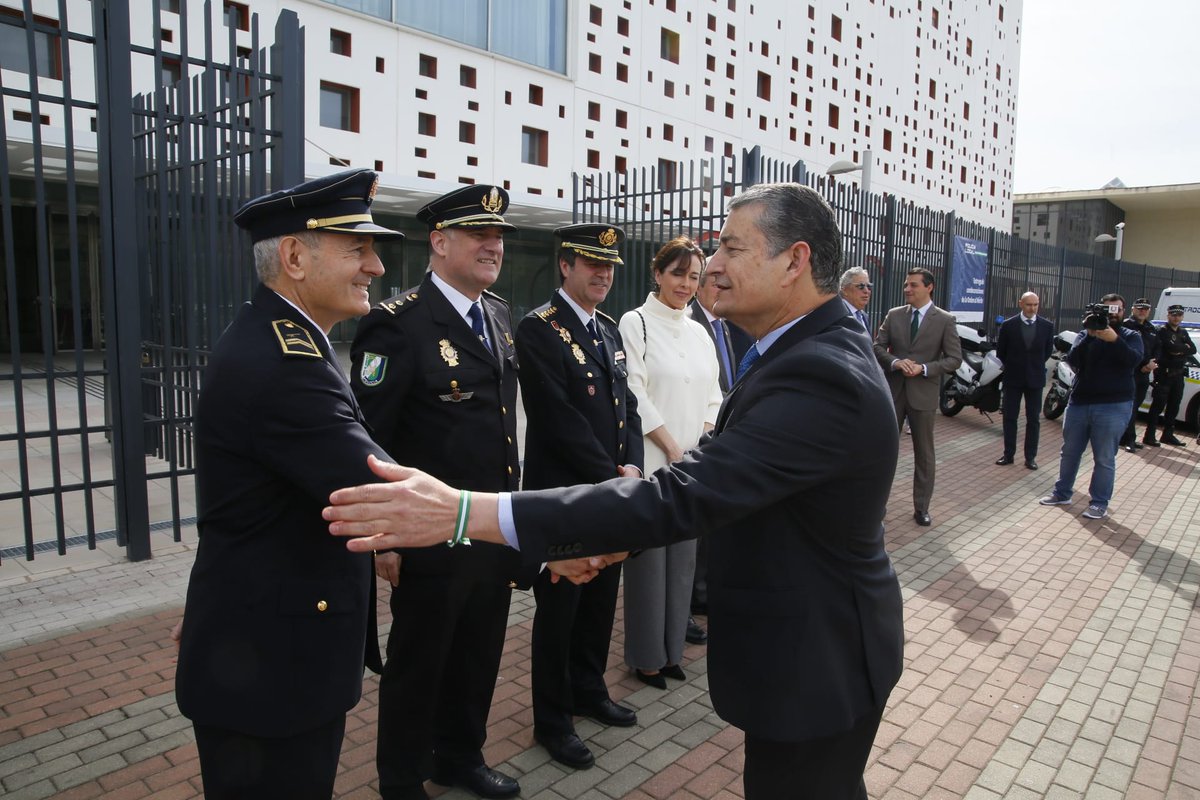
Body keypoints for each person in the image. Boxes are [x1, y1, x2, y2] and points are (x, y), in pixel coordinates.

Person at [326, 182, 906, 800]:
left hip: (819, 660)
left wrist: (464, 511)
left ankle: (459, 752)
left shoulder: (819, 371)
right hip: (803, 650)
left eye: (731, 249)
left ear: (794, 261)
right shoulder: (799, 353)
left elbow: (685, 492)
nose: (711, 267)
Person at [174, 168, 403, 799]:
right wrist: (531, 537)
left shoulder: (285, 339)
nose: (376, 266)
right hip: (271, 671)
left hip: (262, 646)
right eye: (358, 249)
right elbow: (381, 489)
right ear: (296, 258)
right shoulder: (284, 361)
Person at [349, 185, 528, 800]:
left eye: (498, 236)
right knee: (419, 663)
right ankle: (401, 779)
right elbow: (372, 441)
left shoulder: (497, 314)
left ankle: (460, 757)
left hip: (490, 525)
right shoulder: (397, 324)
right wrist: (384, 539)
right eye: (479, 234)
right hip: (427, 534)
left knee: (479, 652)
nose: (493, 246)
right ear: (440, 242)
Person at [517, 223, 643, 770]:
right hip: (564, 496)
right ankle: (553, 721)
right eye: (592, 263)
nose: (603, 274)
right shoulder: (539, 328)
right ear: (565, 265)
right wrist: (614, 477)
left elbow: (627, 405)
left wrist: (632, 465)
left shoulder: (607, 329)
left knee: (600, 599)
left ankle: (589, 689)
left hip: (609, 490)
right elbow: (557, 418)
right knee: (560, 611)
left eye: (609, 266)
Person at [617, 236, 723, 689]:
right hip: (654, 459)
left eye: (694, 276)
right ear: (657, 273)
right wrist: (674, 449)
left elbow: (715, 393)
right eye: (678, 273)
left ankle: (671, 651)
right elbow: (634, 392)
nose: (686, 284)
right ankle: (646, 658)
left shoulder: (699, 330)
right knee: (648, 567)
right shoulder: (636, 322)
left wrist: (698, 445)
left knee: (682, 564)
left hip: (691, 464)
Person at [686, 269, 752, 634]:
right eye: (713, 279)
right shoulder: (692, 320)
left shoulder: (725, 324)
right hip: (694, 434)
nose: (721, 286)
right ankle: (695, 594)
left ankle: (704, 589)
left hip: (720, 426)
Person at [1039, 294, 1142, 520]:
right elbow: (1073, 360)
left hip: (1113, 405)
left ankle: (1098, 503)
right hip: (1080, 402)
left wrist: (1114, 340)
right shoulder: (1086, 334)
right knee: (1069, 452)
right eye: (1107, 309)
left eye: (1116, 309)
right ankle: (1062, 493)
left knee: (1104, 457)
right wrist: (1090, 335)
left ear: (1123, 312)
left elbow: (1133, 361)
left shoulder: (1131, 336)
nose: (1112, 314)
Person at [873, 268, 962, 526]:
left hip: (923, 394)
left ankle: (921, 508)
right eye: (906, 285)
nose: (907, 289)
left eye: (913, 285)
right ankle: (876, 506)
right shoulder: (894, 315)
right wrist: (896, 362)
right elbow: (877, 346)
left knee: (924, 454)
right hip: (895, 392)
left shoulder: (944, 320)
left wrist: (923, 368)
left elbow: (954, 359)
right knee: (884, 451)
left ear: (929, 287)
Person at [994, 292, 1055, 469]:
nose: (1032, 308)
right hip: (1013, 378)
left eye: (1035, 304)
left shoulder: (1047, 326)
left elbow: (1047, 352)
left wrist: (1033, 366)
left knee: (1033, 419)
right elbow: (1001, 352)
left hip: (1035, 379)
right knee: (1010, 417)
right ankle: (1008, 454)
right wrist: (1015, 365)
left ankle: (1030, 457)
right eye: (1029, 304)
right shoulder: (1008, 325)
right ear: (1020, 303)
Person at [1143, 303, 1195, 448]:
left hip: (1178, 375)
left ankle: (1168, 435)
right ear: (1168, 315)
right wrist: (1182, 348)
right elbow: (1170, 348)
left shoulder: (1183, 332)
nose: (1176, 318)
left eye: (1179, 315)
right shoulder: (1162, 331)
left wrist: (1179, 350)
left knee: (1174, 406)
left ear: (1182, 316)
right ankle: (1149, 435)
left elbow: (1193, 349)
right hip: (1164, 375)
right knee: (1157, 407)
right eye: (1173, 315)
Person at [1119, 298, 1160, 451]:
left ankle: (1126, 437)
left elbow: (1158, 348)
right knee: (1128, 406)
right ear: (1133, 309)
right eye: (1139, 308)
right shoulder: (1125, 326)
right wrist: (1142, 366)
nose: (1142, 311)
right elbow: (1124, 349)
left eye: (1145, 309)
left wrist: (1152, 363)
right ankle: (1129, 439)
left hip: (1145, 374)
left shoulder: (1151, 328)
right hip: (1130, 372)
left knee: (1135, 407)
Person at [839, 267, 873, 333]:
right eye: (861, 286)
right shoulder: (838, 314)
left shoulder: (864, 316)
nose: (866, 291)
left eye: (869, 286)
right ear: (844, 290)